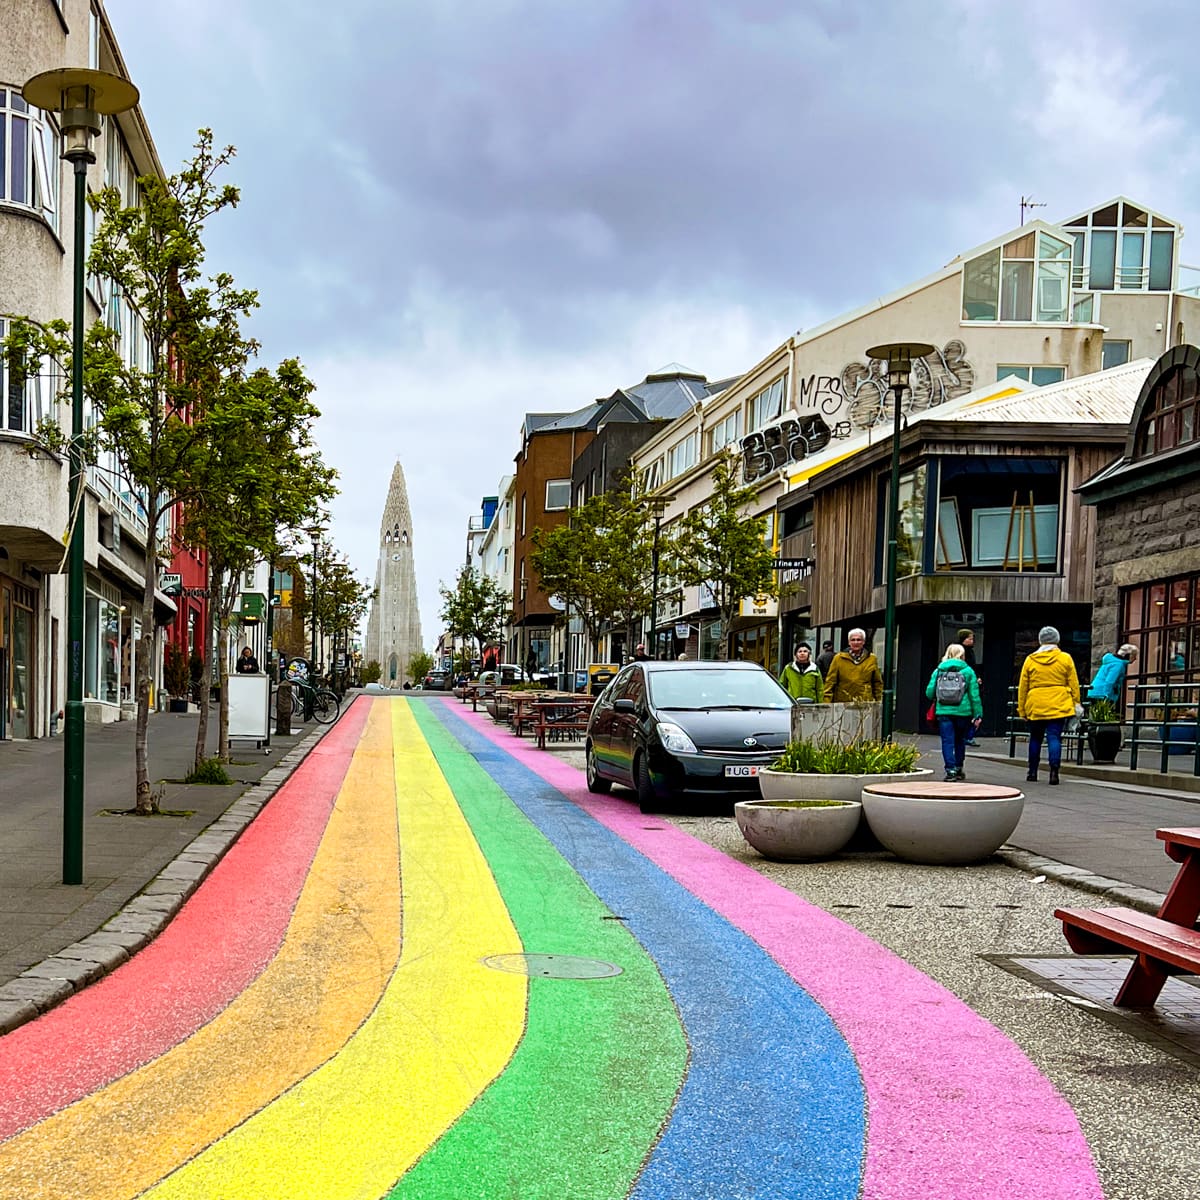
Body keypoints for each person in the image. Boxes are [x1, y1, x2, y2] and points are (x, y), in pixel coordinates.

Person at [1017, 625, 1080, 785]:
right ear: (1057, 640)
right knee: (1054, 737)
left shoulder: (1030, 660)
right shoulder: (1065, 658)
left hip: (1036, 703)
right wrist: (1076, 702)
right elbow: (1074, 683)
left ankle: (1032, 771)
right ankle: (1054, 771)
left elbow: (1023, 686)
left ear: (1040, 640)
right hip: (1058, 702)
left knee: (1035, 739)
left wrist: (1022, 708)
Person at [925, 643, 982, 781]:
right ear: (962, 655)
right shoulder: (968, 671)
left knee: (947, 741)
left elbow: (929, 693)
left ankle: (950, 770)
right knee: (960, 741)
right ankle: (958, 767)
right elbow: (974, 695)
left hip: (944, 711)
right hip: (963, 712)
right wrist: (977, 714)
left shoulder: (939, 670)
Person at [823, 628, 883, 703]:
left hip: (865, 703)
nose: (856, 642)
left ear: (863, 642)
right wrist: (826, 704)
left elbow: (877, 683)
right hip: (843, 703)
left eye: (859, 640)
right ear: (849, 642)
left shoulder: (871, 659)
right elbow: (830, 682)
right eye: (853, 640)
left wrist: (879, 702)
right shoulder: (838, 658)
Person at [957, 628, 981, 745]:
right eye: (969, 638)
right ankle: (967, 736)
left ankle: (968, 735)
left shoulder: (970, 651)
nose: (972, 641)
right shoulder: (961, 652)